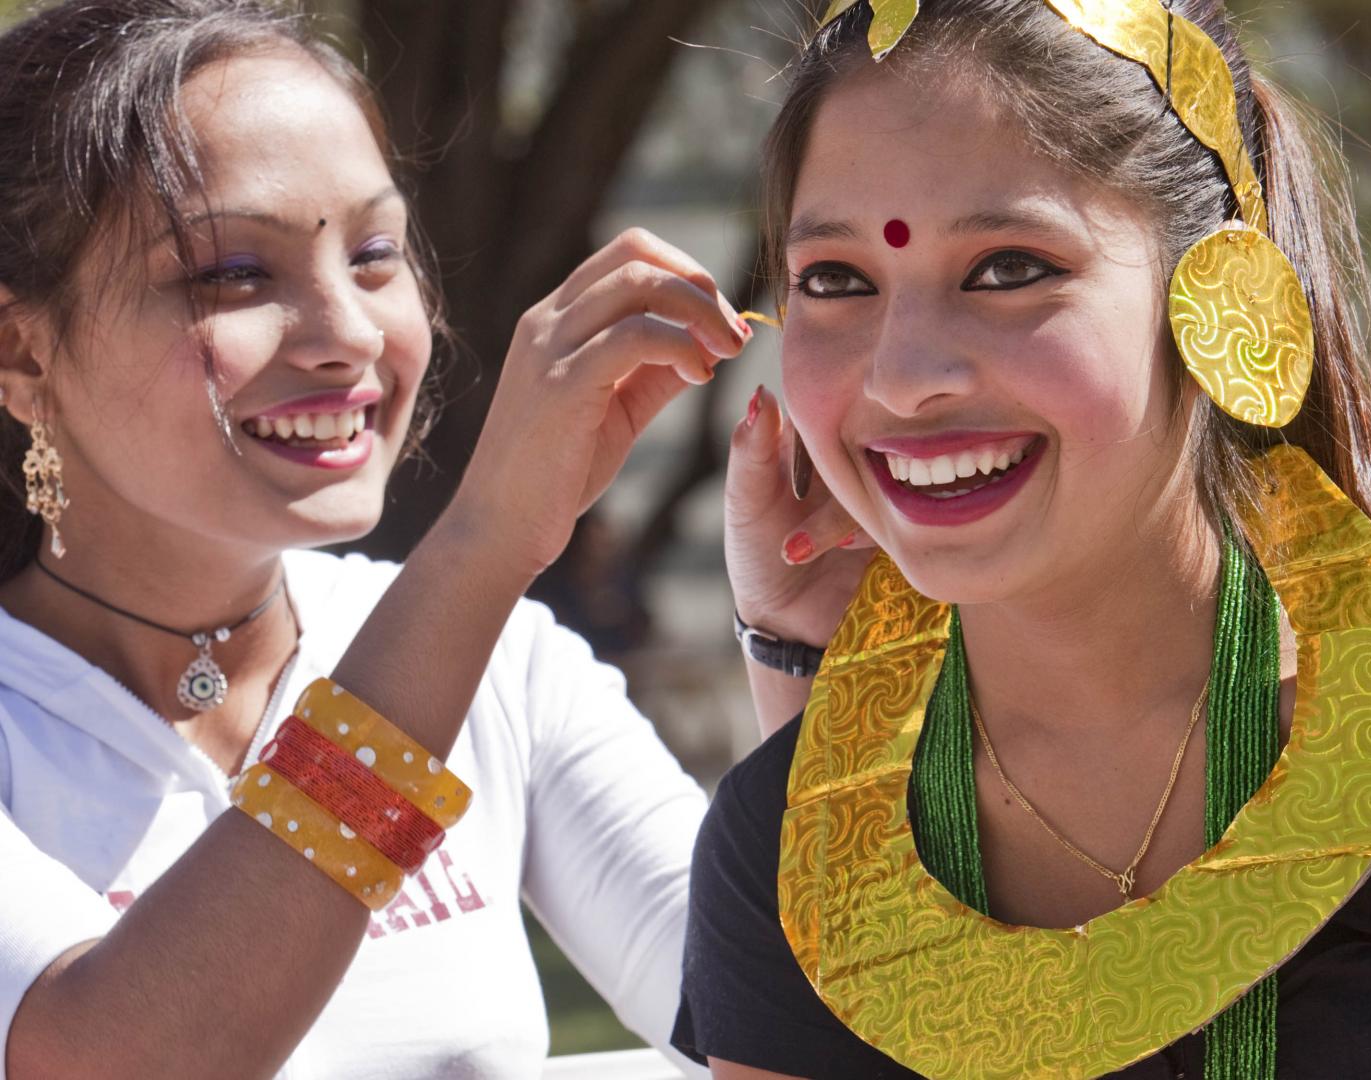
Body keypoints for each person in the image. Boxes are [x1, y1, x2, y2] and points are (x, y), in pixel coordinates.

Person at [0, 0, 791, 1076]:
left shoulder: (503, 665)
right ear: (24, 353)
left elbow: (772, 1034)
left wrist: (804, 657)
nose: (350, 333)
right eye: (234, 274)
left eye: (375, 254)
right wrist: (480, 549)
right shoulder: (458, 624)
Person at [674, 1, 1371, 1078]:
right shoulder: (781, 852)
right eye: (836, 280)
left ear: (1221, 294)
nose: (903, 377)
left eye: (1007, 269)